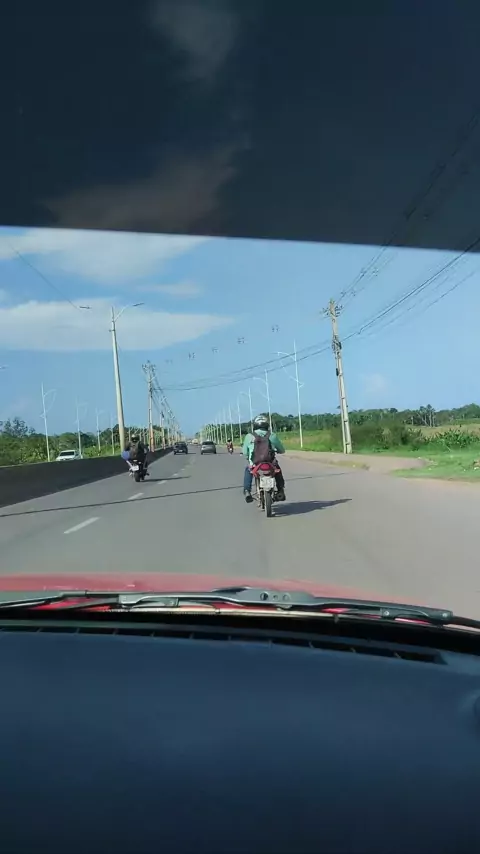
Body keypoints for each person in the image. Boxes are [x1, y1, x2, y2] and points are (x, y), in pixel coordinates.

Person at [242, 415, 286, 503]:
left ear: (255, 425)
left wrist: (248, 457)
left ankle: (247, 491)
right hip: (270, 463)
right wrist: (279, 451)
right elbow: (282, 450)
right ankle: (280, 490)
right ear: (266, 425)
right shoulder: (272, 435)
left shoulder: (249, 436)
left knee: (248, 470)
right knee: (277, 470)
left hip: (255, 464)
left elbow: (245, 452)